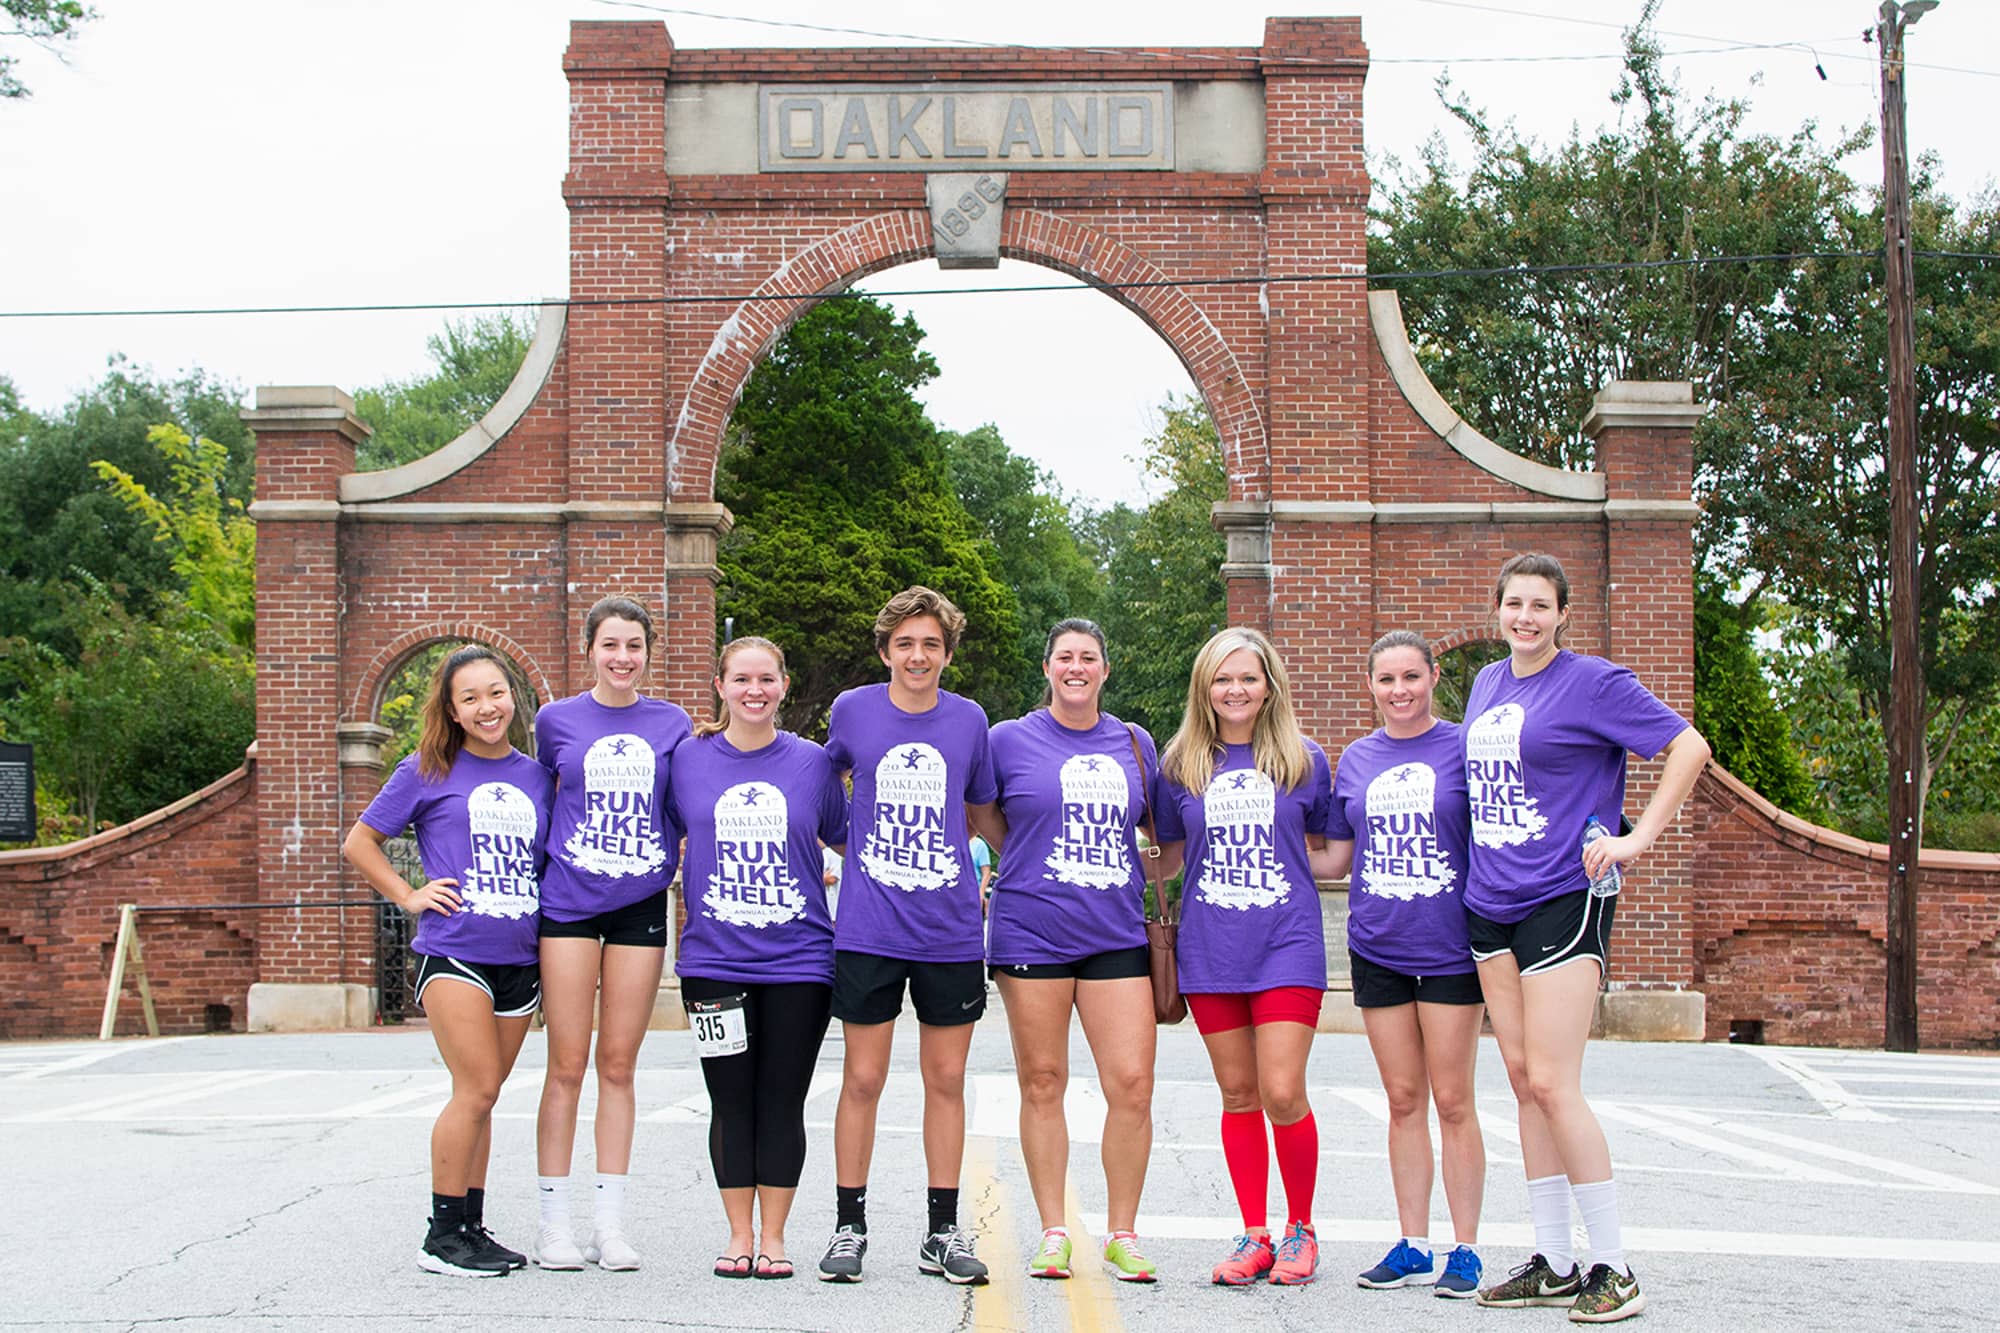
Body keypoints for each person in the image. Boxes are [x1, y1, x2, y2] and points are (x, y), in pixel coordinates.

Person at [1464, 553, 1710, 1324]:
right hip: (1489, 900)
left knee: (1553, 1080)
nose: (1526, 617)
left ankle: (1614, 1264)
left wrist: (1636, 843)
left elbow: (1689, 747)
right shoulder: (1486, 682)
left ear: (1563, 613)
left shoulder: (1594, 682)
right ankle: (1555, 1259)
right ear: (1498, 609)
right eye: (1514, 604)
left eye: (1541, 605)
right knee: (1520, 1074)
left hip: (1561, 896)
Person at [343, 644, 553, 1278]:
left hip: (519, 959)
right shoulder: (427, 769)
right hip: (455, 953)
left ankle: (470, 1226)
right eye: (470, 698)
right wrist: (409, 894)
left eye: (495, 692)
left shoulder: (538, 776)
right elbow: (360, 841)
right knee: (477, 1088)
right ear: (453, 711)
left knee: (486, 1098)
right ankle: (440, 1234)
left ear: (512, 697)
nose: (486, 707)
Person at [816, 586, 1000, 1286]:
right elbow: (819, 779)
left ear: (947, 653)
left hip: (950, 929)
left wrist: (1025, 866)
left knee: (945, 1079)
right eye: (905, 643)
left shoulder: (969, 719)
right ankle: (849, 1225)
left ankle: (942, 1229)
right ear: (886, 649)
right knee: (862, 1077)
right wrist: (847, 838)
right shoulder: (854, 710)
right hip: (868, 925)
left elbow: (980, 807)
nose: (917, 655)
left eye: (930, 644)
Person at [1152, 627, 1334, 1288]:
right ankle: (1254, 1231)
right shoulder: (1179, 765)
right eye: (1222, 679)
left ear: (1269, 685)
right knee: (1237, 1091)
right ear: (1205, 687)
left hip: (1286, 942)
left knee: (1282, 1089)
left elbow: (1326, 848)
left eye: (1248, 678)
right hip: (1209, 947)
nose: (1235, 689)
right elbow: (1168, 856)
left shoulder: (1303, 758)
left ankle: (1301, 1228)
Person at [985, 619, 1164, 1284]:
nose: (1077, 667)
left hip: (1116, 934)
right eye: (1066, 656)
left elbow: (1165, 840)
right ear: (1047, 667)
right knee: (1042, 1082)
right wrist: (1028, 859)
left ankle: (1122, 1231)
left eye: (1089, 656)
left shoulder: (1135, 743)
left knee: (1133, 1085)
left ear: (1105, 669)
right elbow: (984, 814)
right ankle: (1054, 1229)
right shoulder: (1008, 740)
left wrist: (1115, 869)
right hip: (1032, 932)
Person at [1313, 631, 1486, 1298]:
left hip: (1447, 948)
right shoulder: (1355, 759)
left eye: (1411, 675)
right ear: (1371, 684)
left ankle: (1464, 1248)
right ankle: (1413, 1242)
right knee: (1404, 1098)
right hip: (1377, 946)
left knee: (1452, 1098)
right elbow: (1335, 858)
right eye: (1387, 678)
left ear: (1434, 675)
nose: (1400, 690)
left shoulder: (1463, 748)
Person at [672, 636, 848, 1281]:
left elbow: (853, 838)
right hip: (714, 963)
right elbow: (652, 827)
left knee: (782, 1100)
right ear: (720, 687)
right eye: (741, 679)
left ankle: (774, 1237)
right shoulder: (686, 761)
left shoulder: (814, 765)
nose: (754, 690)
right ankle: (737, 1234)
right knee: (731, 1102)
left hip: (801, 964)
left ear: (783, 685)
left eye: (766, 679)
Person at [529, 596, 691, 1271]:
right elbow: (537, 803)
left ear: (648, 651)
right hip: (568, 903)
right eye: (611, 644)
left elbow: (684, 808)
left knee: (619, 1065)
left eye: (634, 645)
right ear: (589, 648)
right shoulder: (556, 720)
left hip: (640, 906)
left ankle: (609, 1224)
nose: (623, 657)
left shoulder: (673, 723)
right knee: (566, 1064)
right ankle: (554, 1224)